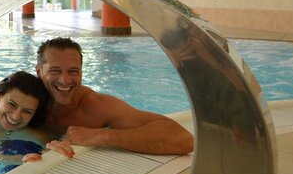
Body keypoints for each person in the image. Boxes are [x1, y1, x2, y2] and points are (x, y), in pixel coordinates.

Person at [35, 37, 194, 158]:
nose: (65, 80)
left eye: (73, 71)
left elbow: (184, 139)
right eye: (55, 71)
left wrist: (102, 136)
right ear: (39, 71)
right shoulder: (25, 98)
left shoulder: (96, 107)